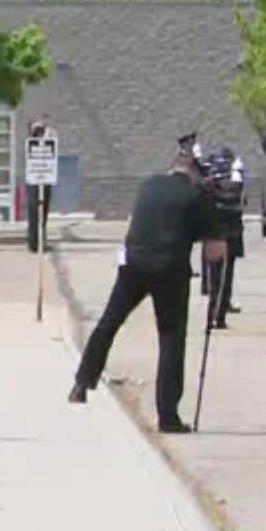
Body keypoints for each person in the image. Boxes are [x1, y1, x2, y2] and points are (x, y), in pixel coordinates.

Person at [70, 140, 226, 434]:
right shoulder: (194, 197)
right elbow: (214, 252)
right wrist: (216, 230)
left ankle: (81, 382)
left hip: (133, 263)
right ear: (195, 172)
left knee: (110, 322)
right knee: (171, 338)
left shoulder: (149, 185)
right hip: (170, 269)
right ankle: (168, 416)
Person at [200, 146, 246, 330]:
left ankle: (218, 314)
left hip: (223, 236)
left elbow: (236, 202)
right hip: (223, 236)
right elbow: (231, 203)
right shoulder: (217, 189)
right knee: (219, 281)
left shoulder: (222, 189)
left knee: (220, 280)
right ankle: (215, 317)